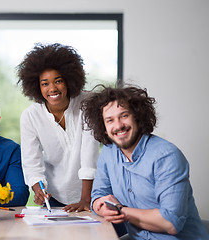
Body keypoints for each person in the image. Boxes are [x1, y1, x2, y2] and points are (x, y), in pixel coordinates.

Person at [81, 85, 209, 239]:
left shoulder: (166, 156)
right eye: (110, 120)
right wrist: (100, 206)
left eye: (124, 116)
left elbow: (171, 222)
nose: (118, 125)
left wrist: (121, 210)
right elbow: (98, 195)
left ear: (137, 116)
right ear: (104, 127)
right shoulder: (109, 152)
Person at [16, 43, 99, 212]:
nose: (52, 88)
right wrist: (38, 189)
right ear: (37, 86)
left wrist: (85, 200)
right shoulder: (30, 116)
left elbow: (89, 154)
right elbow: (32, 162)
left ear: (69, 80)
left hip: (92, 193)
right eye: (45, 83)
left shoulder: (88, 103)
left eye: (58, 81)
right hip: (55, 197)